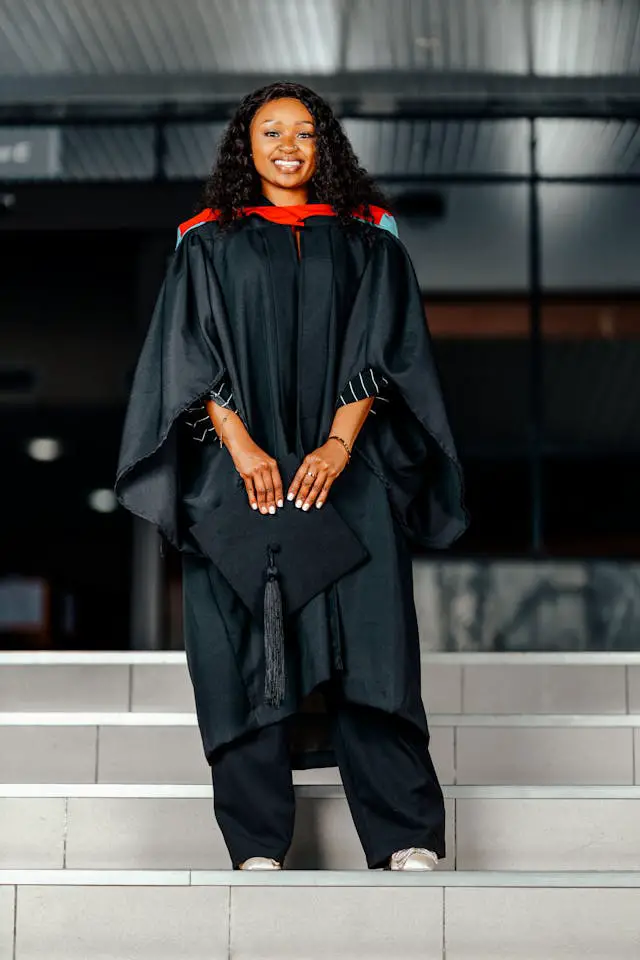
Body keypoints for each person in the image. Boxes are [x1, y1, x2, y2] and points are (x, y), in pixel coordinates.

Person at [115, 81, 468, 872]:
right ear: (248, 146)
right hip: (242, 479)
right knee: (243, 645)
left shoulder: (368, 236)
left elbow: (387, 346)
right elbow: (187, 354)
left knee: (375, 646)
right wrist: (241, 446)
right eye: (270, 131)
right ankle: (255, 844)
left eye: (304, 133)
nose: (287, 145)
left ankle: (406, 835)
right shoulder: (204, 240)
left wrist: (340, 444)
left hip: (351, 470)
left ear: (323, 147)